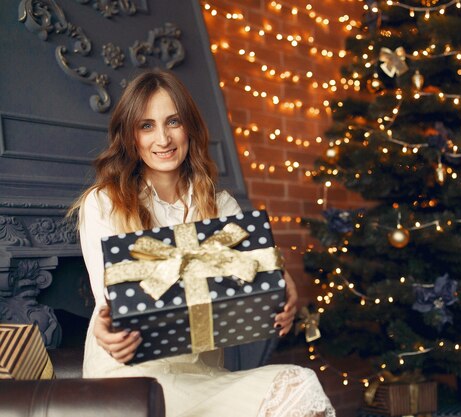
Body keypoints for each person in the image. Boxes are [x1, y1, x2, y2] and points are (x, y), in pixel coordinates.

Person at [69, 69, 335, 417]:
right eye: (146, 125)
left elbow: (253, 274)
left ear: (190, 128)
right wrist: (109, 330)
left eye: (173, 122)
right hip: (130, 372)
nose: (163, 138)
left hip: (202, 372)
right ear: (131, 136)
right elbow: (112, 303)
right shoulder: (104, 202)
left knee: (300, 384)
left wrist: (282, 291)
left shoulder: (220, 205)